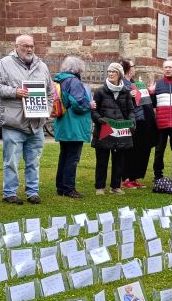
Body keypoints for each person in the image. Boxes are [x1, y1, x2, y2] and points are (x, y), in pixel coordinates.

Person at [0, 34, 53, 204]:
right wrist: (14, 92)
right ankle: (9, 192)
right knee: (11, 161)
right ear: (16, 47)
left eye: (31, 46)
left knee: (34, 161)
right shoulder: (4, 63)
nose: (29, 49)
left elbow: (50, 92)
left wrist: (46, 112)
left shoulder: (42, 66)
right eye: (25, 46)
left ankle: (33, 192)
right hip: (13, 122)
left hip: (36, 123)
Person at [52, 56, 93, 198]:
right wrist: (90, 105)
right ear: (77, 68)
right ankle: (69, 188)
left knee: (64, 155)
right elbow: (78, 104)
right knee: (72, 157)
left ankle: (61, 186)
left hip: (63, 123)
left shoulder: (59, 79)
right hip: (74, 124)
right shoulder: (74, 82)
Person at [92, 62, 136, 195]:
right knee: (102, 160)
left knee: (119, 160)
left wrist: (132, 121)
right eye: (109, 71)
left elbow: (131, 110)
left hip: (121, 131)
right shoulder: (100, 91)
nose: (111, 74)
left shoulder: (126, 93)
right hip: (104, 130)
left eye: (114, 72)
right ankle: (100, 187)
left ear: (120, 75)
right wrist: (101, 120)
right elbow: (94, 111)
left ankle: (116, 186)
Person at [122, 59, 154, 189]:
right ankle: (126, 178)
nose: (135, 68)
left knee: (139, 149)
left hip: (141, 120)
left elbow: (142, 100)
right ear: (128, 69)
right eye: (133, 66)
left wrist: (150, 92)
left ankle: (134, 177)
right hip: (131, 121)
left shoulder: (134, 83)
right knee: (130, 150)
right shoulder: (122, 83)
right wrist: (128, 95)